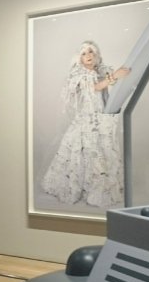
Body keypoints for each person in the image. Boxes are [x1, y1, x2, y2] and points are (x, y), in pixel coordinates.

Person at [40, 40, 129, 207]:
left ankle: (99, 185)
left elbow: (105, 84)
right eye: (84, 53)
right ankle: (80, 186)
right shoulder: (78, 74)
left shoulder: (99, 71)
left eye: (91, 52)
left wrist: (113, 76)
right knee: (86, 149)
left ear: (96, 55)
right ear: (79, 58)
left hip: (100, 116)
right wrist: (114, 76)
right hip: (87, 118)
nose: (88, 55)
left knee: (101, 148)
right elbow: (94, 87)